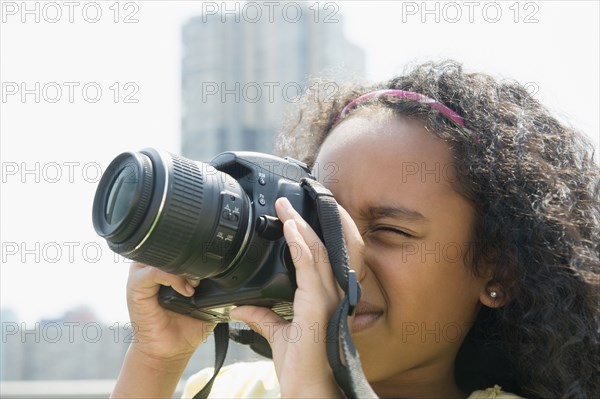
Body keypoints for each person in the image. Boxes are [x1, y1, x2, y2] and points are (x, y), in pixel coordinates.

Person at [111, 60, 599, 398]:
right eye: (320, 217)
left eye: (390, 230)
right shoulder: (234, 390)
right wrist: (157, 359)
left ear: (500, 271)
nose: (343, 253)